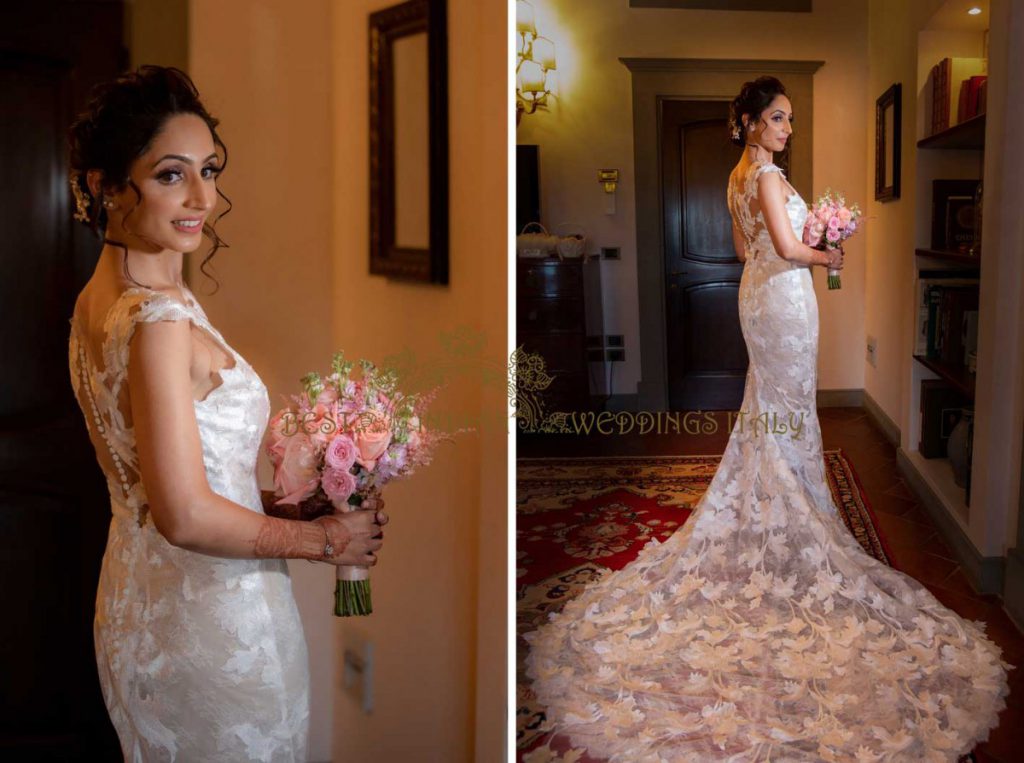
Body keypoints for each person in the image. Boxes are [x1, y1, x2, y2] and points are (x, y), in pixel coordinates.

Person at [523, 76, 1012, 761]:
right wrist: (828, 252)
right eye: (777, 118)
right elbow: (785, 249)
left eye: (789, 120)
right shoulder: (767, 173)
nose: (787, 129)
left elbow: (743, 250)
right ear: (749, 120)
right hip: (783, 300)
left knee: (769, 412)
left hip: (757, 298)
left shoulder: (734, 176)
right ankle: (797, 516)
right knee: (787, 412)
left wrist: (800, 246)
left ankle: (780, 506)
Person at [66, 65, 386, 761]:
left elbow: (153, 480)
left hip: (136, 599)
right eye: (171, 174)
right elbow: (182, 512)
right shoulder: (155, 318)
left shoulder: (102, 301)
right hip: (212, 620)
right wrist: (325, 541)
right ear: (103, 185)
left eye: (208, 170)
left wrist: (285, 506)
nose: (202, 198)